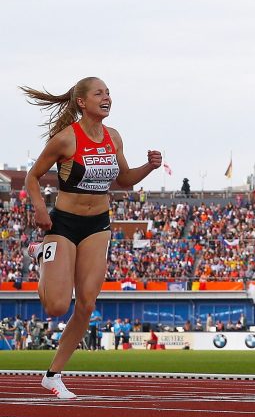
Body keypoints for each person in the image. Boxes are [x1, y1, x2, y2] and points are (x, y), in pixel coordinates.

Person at [22, 77, 162, 398]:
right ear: (82, 102)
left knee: (86, 305)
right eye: (99, 93)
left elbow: (124, 180)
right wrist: (40, 209)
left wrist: (149, 167)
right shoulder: (67, 138)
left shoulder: (113, 137)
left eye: (109, 92)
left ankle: (53, 375)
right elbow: (32, 177)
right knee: (57, 306)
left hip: (98, 224)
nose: (107, 97)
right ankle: (40, 253)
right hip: (64, 225)